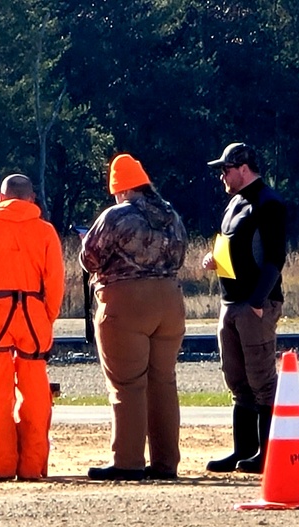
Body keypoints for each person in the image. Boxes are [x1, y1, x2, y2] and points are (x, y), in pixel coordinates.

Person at [80, 154, 188, 481]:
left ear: (121, 189)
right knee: (163, 382)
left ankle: (128, 462)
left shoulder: (117, 214)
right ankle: (166, 463)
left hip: (126, 302)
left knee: (127, 385)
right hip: (170, 301)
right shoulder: (171, 215)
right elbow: (182, 255)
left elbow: (89, 258)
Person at [0, 174, 64, 481]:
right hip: (34, 317)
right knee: (35, 395)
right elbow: (56, 281)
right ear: (32, 198)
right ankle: (32, 468)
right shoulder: (45, 231)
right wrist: (46, 316)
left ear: (0, 196)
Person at [203, 142, 287, 475]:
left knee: (262, 380)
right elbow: (231, 245)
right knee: (237, 379)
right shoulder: (235, 202)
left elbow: (275, 258)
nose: (222, 175)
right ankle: (243, 450)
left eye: (225, 169)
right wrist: (213, 260)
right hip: (230, 301)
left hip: (255, 304)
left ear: (243, 168)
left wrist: (257, 302)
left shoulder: (270, 203)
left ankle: (268, 454)